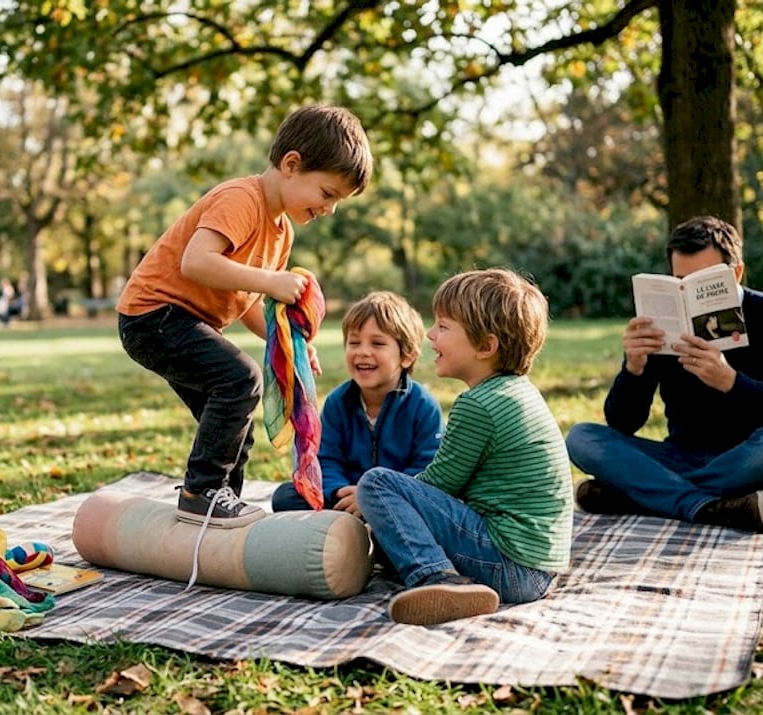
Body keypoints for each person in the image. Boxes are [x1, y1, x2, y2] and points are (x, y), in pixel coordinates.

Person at [117, 105, 373, 528]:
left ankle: (221, 507)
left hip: (180, 322)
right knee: (240, 380)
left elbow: (247, 299)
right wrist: (272, 282)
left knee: (235, 421)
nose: (329, 209)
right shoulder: (241, 199)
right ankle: (201, 493)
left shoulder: (281, 230)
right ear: (292, 164)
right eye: (327, 194)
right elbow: (196, 263)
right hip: (153, 317)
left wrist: (293, 349)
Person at [565, 216, 763, 534]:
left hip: (753, 462)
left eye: (705, 280)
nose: (690, 295)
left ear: (737, 272)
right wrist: (632, 369)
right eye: (681, 281)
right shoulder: (660, 320)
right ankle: (711, 506)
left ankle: (645, 495)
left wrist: (733, 384)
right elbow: (623, 423)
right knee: (581, 438)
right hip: (681, 456)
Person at [356, 269, 573, 625]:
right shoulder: (518, 390)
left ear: (486, 347)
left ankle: (438, 579)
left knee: (377, 483)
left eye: (443, 326)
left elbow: (439, 484)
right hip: (539, 569)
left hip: (510, 565)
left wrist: (378, 501)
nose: (430, 334)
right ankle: (434, 570)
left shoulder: (479, 405)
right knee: (389, 532)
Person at [270, 291, 442, 517]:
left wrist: (375, 497)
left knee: (435, 503)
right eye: (354, 342)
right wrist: (341, 492)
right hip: (345, 495)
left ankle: (369, 526)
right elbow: (326, 459)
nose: (363, 352)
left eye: (378, 343)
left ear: (407, 356)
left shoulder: (423, 406)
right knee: (285, 495)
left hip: (396, 500)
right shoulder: (337, 403)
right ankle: (350, 525)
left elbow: (427, 469)